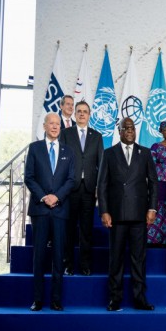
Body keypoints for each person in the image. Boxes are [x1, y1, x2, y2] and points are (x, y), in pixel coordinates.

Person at [97, 117, 158, 311]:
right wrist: (104, 211)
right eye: (126, 128)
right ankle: (115, 299)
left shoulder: (145, 153)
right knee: (115, 259)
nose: (130, 131)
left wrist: (152, 208)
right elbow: (102, 185)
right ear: (120, 131)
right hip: (116, 216)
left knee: (138, 259)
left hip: (139, 215)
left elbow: (153, 183)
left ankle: (139, 298)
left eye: (132, 128)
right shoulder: (109, 153)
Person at [25, 113, 76, 311]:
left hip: (60, 209)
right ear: (44, 126)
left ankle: (56, 299)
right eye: (51, 124)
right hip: (40, 209)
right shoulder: (34, 148)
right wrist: (45, 197)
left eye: (58, 124)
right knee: (39, 256)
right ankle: (37, 299)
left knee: (58, 255)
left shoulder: (68, 151)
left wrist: (57, 197)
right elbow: (29, 177)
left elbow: (71, 180)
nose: (55, 127)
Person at [59, 100, 103, 276]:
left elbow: (101, 164)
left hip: (89, 189)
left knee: (86, 229)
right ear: (75, 114)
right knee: (69, 228)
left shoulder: (96, 136)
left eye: (85, 111)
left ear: (89, 115)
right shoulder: (66, 134)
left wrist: (99, 187)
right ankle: (68, 264)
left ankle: (85, 265)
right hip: (71, 188)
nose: (82, 114)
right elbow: (61, 162)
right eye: (79, 111)